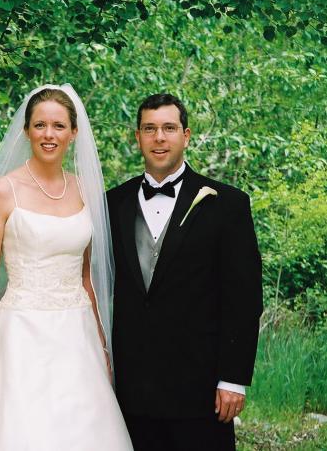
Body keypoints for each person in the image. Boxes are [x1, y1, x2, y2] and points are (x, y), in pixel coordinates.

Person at [0, 84, 133, 450]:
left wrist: (101, 342)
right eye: (40, 125)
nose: (48, 134)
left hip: (77, 332)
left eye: (58, 126)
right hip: (21, 331)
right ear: (26, 131)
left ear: (74, 132)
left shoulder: (86, 190)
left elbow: (87, 274)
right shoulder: (2, 192)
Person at [107, 93, 263, 450]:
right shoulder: (112, 203)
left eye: (168, 128)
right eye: (149, 129)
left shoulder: (228, 205)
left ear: (186, 135)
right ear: (138, 137)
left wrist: (233, 379)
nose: (159, 138)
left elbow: (244, 298)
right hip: (132, 390)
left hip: (200, 389)